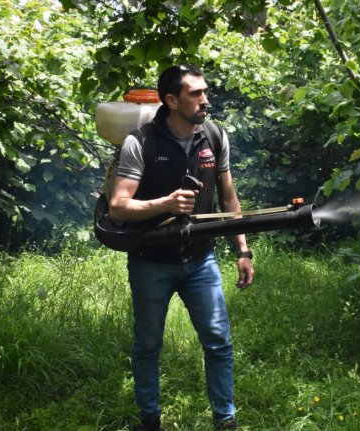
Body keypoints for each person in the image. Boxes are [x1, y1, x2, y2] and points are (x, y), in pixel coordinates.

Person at [109, 64, 254, 431]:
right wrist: (166, 204)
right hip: (150, 262)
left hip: (201, 259)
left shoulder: (215, 136)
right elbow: (118, 206)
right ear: (172, 100)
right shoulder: (139, 142)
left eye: (205, 91)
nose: (205, 100)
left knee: (219, 341)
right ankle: (149, 420)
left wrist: (242, 249)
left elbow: (228, 197)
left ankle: (225, 419)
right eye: (196, 93)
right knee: (147, 345)